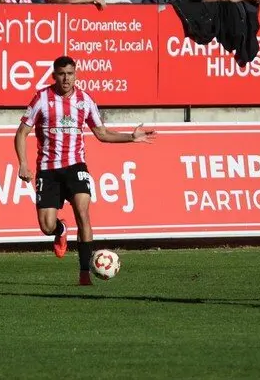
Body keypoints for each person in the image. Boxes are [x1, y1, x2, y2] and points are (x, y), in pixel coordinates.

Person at [14, 56, 155, 285]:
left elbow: (102, 133)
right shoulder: (41, 98)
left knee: (83, 213)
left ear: (76, 74)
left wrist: (131, 137)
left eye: (70, 73)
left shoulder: (85, 100)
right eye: (61, 74)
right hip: (48, 170)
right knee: (46, 226)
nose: (66, 78)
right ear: (54, 75)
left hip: (76, 166)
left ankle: (84, 273)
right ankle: (60, 229)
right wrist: (23, 163)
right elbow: (21, 133)